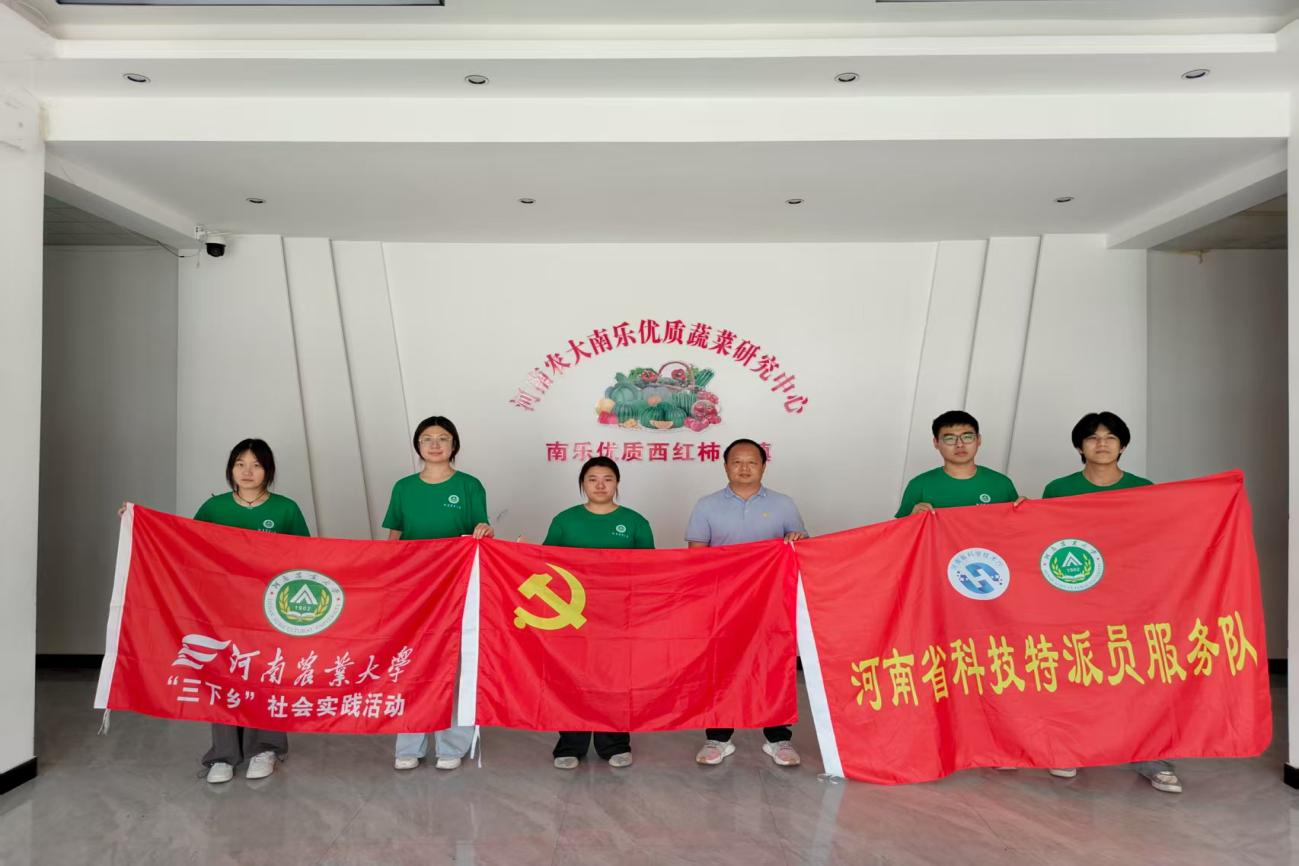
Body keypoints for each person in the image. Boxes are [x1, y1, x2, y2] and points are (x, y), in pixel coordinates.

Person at [1040, 411, 1180, 794]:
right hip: (1075, 598)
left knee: (1142, 675)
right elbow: (1042, 541)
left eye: (1110, 437)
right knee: (1077, 671)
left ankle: (1152, 757)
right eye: (1092, 437)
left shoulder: (1143, 489)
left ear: (1123, 444)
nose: (1101, 444)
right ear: (1079, 446)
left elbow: (1160, 540)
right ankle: (1071, 749)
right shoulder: (1059, 489)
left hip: (1134, 600)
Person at [193, 438, 310, 784]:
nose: (247, 471)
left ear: (268, 470)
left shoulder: (286, 509)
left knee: (266, 675)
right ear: (231, 468)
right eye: (240, 464)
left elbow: (307, 557)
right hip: (222, 608)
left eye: (256, 465)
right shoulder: (214, 508)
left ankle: (266, 748)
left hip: (269, 610)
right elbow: (184, 543)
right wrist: (137, 521)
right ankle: (224, 755)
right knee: (223, 675)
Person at [685, 438, 807, 767]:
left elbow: (802, 549)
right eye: (736, 462)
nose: (744, 468)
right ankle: (718, 738)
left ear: (763, 467)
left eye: (752, 462)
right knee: (721, 667)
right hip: (722, 604)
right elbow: (696, 558)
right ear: (725, 466)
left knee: (774, 667)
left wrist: (795, 541)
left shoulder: (783, 504)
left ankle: (778, 739)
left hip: (771, 603)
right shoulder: (707, 505)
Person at [385, 415, 493, 772]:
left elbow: (480, 531)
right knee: (412, 665)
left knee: (456, 665)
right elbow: (394, 540)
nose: (435, 445)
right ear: (418, 445)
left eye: (442, 438)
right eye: (427, 438)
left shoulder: (469, 485)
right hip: (414, 589)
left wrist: (485, 531)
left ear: (453, 444)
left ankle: (452, 745)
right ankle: (409, 744)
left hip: (458, 588)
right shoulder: (403, 487)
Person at [543, 456, 654, 770]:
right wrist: (521, 553)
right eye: (592, 479)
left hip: (618, 615)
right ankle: (570, 745)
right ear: (582, 484)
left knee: (614, 680)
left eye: (608, 479)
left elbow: (650, 570)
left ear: (617, 483)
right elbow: (546, 562)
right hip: (572, 615)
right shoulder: (565, 520)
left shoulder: (635, 522)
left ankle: (614, 744)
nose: (600, 485)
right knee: (572, 678)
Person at [895, 410, 1019, 517]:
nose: (960, 444)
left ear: (979, 440)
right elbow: (899, 533)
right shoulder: (919, 485)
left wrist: (1028, 509)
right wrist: (912, 518)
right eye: (950, 439)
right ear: (936, 443)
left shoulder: (1001, 483)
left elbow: (1017, 528)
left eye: (967, 437)